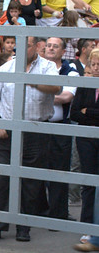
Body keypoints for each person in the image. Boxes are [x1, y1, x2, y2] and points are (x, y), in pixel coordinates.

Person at [0, 36, 61, 242]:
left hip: (35, 131)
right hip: (6, 131)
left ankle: (23, 226)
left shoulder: (47, 67)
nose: (21, 49)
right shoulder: (5, 69)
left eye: (26, 45)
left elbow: (57, 88)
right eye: (19, 45)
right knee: (1, 178)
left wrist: (31, 81)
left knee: (30, 182)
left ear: (37, 46)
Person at [43, 37, 79, 221]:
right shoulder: (38, 67)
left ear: (63, 51)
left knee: (58, 171)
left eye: (55, 46)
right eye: (48, 45)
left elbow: (66, 96)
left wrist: (40, 93)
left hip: (60, 129)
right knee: (36, 170)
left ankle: (58, 215)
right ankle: (39, 212)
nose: (50, 48)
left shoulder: (70, 72)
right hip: (40, 126)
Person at [70, 48, 99, 230]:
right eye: (93, 64)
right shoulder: (84, 85)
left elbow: (83, 112)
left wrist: (88, 111)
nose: (96, 68)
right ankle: (87, 226)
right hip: (86, 138)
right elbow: (74, 113)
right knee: (88, 183)